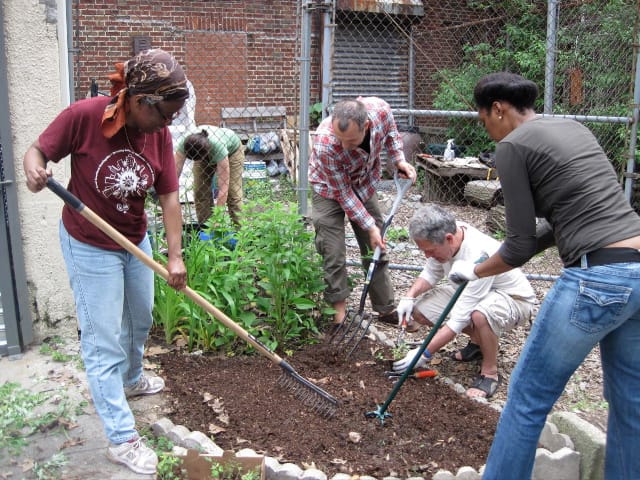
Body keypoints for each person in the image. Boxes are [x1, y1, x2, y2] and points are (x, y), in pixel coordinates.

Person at [448, 71, 640, 479]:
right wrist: (493, 255)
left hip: (597, 279)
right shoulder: (572, 128)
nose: (488, 131)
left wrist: (475, 269)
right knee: (630, 402)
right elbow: (561, 225)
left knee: (527, 398)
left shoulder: (513, 146)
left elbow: (517, 247)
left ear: (498, 109)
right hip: (636, 270)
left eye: (484, 120)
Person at [23, 49, 189, 476]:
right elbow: (36, 153)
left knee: (140, 317)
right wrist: (35, 171)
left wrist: (175, 256)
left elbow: (169, 195)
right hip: (89, 243)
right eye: (164, 115)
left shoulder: (160, 134)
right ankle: (121, 438)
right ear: (137, 100)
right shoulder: (84, 116)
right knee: (102, 342)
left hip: (134, 240)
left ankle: (131, 380)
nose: (168, 124)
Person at [392, 204, 536, 398]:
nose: (427, 256)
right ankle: (478, 344)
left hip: (512, 299)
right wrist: (409, 296)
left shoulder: (478, 254)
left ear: (449, 239)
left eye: (430, 251)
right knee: (421, 310)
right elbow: (430, 272)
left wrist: (423, 353)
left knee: (481, 315)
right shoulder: (444, 233)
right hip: (473, 294)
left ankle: (490, 373)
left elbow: (459, 318)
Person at [308, 97, 417, 329]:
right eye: (340, 139)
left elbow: (392, 135)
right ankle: (339, 317)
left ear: (366, 126)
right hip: (328, 189)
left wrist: (399, 160)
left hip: (365, 184)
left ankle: (386, 308)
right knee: (333, 252)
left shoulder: (380, 111)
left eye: (350, 141)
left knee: (375, 247)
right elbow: (344, 194)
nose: (344, 146)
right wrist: (371, 225)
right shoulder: (326, 142)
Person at [174, 125, 244, 226]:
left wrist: (217, 218)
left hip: (232, 152)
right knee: (200, 190)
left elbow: (223, 187)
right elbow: (172, 177)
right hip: (201, 150)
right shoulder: (185, 144)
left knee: (233, 194)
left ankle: (241, 233)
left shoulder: (218, 148)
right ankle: (206, 229)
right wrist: (173, 208)